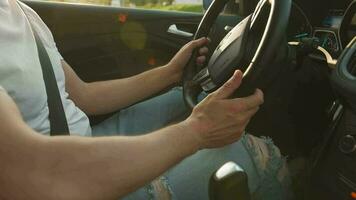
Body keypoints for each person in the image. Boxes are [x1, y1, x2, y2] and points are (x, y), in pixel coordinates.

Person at [0, 0, 292, 199]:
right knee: (255, 154)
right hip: (64, 180)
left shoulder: (21, 12)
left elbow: (83, 96)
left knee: (195, 97)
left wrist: (169, 74)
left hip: (81, 139)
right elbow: (34, 176)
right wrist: (196, 132)